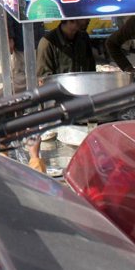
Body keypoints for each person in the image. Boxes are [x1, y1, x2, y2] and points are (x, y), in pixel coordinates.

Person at [27, 19, 96, 173]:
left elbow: (91, 68)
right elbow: (43, 78)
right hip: (59, 105)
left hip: (83, 102)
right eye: (80, 20)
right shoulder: (47, 42)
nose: (87, 20)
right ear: (68, 22)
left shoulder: (83, 38)